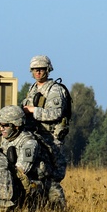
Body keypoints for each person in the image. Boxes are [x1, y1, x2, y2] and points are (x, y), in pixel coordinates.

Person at [0, 105, 65, 212]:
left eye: (5, 125)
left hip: (40, 187)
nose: (1, 128)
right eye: (0, 125)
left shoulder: (29, 143)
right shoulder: (7, 140)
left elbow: (21, 171)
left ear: (17, 126)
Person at [21, 54, 69, 185]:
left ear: (47, 70)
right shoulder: (33, 89)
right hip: (34, 136)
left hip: (50, 138)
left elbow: (56, 113)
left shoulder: (54, 90)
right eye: (35, 69)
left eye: (41, 69)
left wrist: (33, 110)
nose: (38, 72)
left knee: (52, 176)